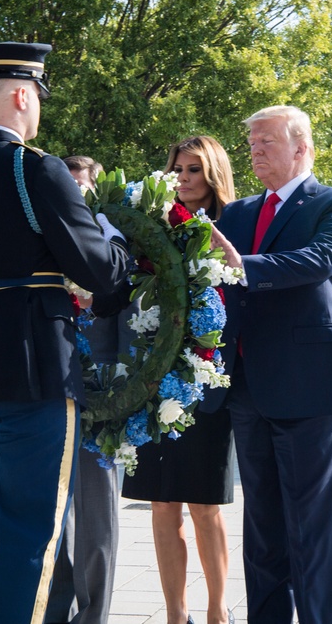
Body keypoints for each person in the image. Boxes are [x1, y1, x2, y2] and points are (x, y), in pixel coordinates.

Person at [0, 42, 130, 624]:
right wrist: (122, 247)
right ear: (20, 94)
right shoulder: (36, 168)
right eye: (36, 96)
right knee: (27, 531)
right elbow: (99, 271)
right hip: (30, 365)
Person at [208, 105, 332, 623]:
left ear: (302, 147)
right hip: (249, 388)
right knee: (264, 532)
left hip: (311, 389)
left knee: (315, 533)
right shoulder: (235, 214)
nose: (254, 151)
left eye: (266, 142)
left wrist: (244, 266)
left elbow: (321, 260)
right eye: (250, 143)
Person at [121, 136, 237, 624]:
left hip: (206, 384)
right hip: (149, 380)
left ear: (212, 175)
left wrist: (206, 233)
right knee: (162, 505)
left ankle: (216, 612)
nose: (185, 179)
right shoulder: (147, 229)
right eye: (178, 169)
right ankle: (175, 615)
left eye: (194, 170)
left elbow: (238, 275)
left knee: (204, 505)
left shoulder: (234, 222)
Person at [45, 154, 126, 624]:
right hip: (49, 382)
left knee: (96, 512)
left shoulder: (113, 231)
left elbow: (123, 296)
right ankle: (56, 609)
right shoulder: (42, 231)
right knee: (52, 510)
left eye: (81, 184)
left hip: (100, 384)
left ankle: (93, 613)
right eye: (67, 184)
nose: (74, 191)